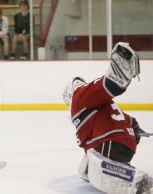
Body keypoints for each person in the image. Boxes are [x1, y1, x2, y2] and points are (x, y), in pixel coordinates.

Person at [62, 42, 153, 193]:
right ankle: (119, 166)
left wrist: (116, 78)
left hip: (109, 143)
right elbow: (132, 122)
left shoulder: (79, 98)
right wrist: (134, 132)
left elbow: (107, 86)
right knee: (90, 160)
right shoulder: (104, 105)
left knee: (93, 154)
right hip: (126, 148)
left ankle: (138, 182)